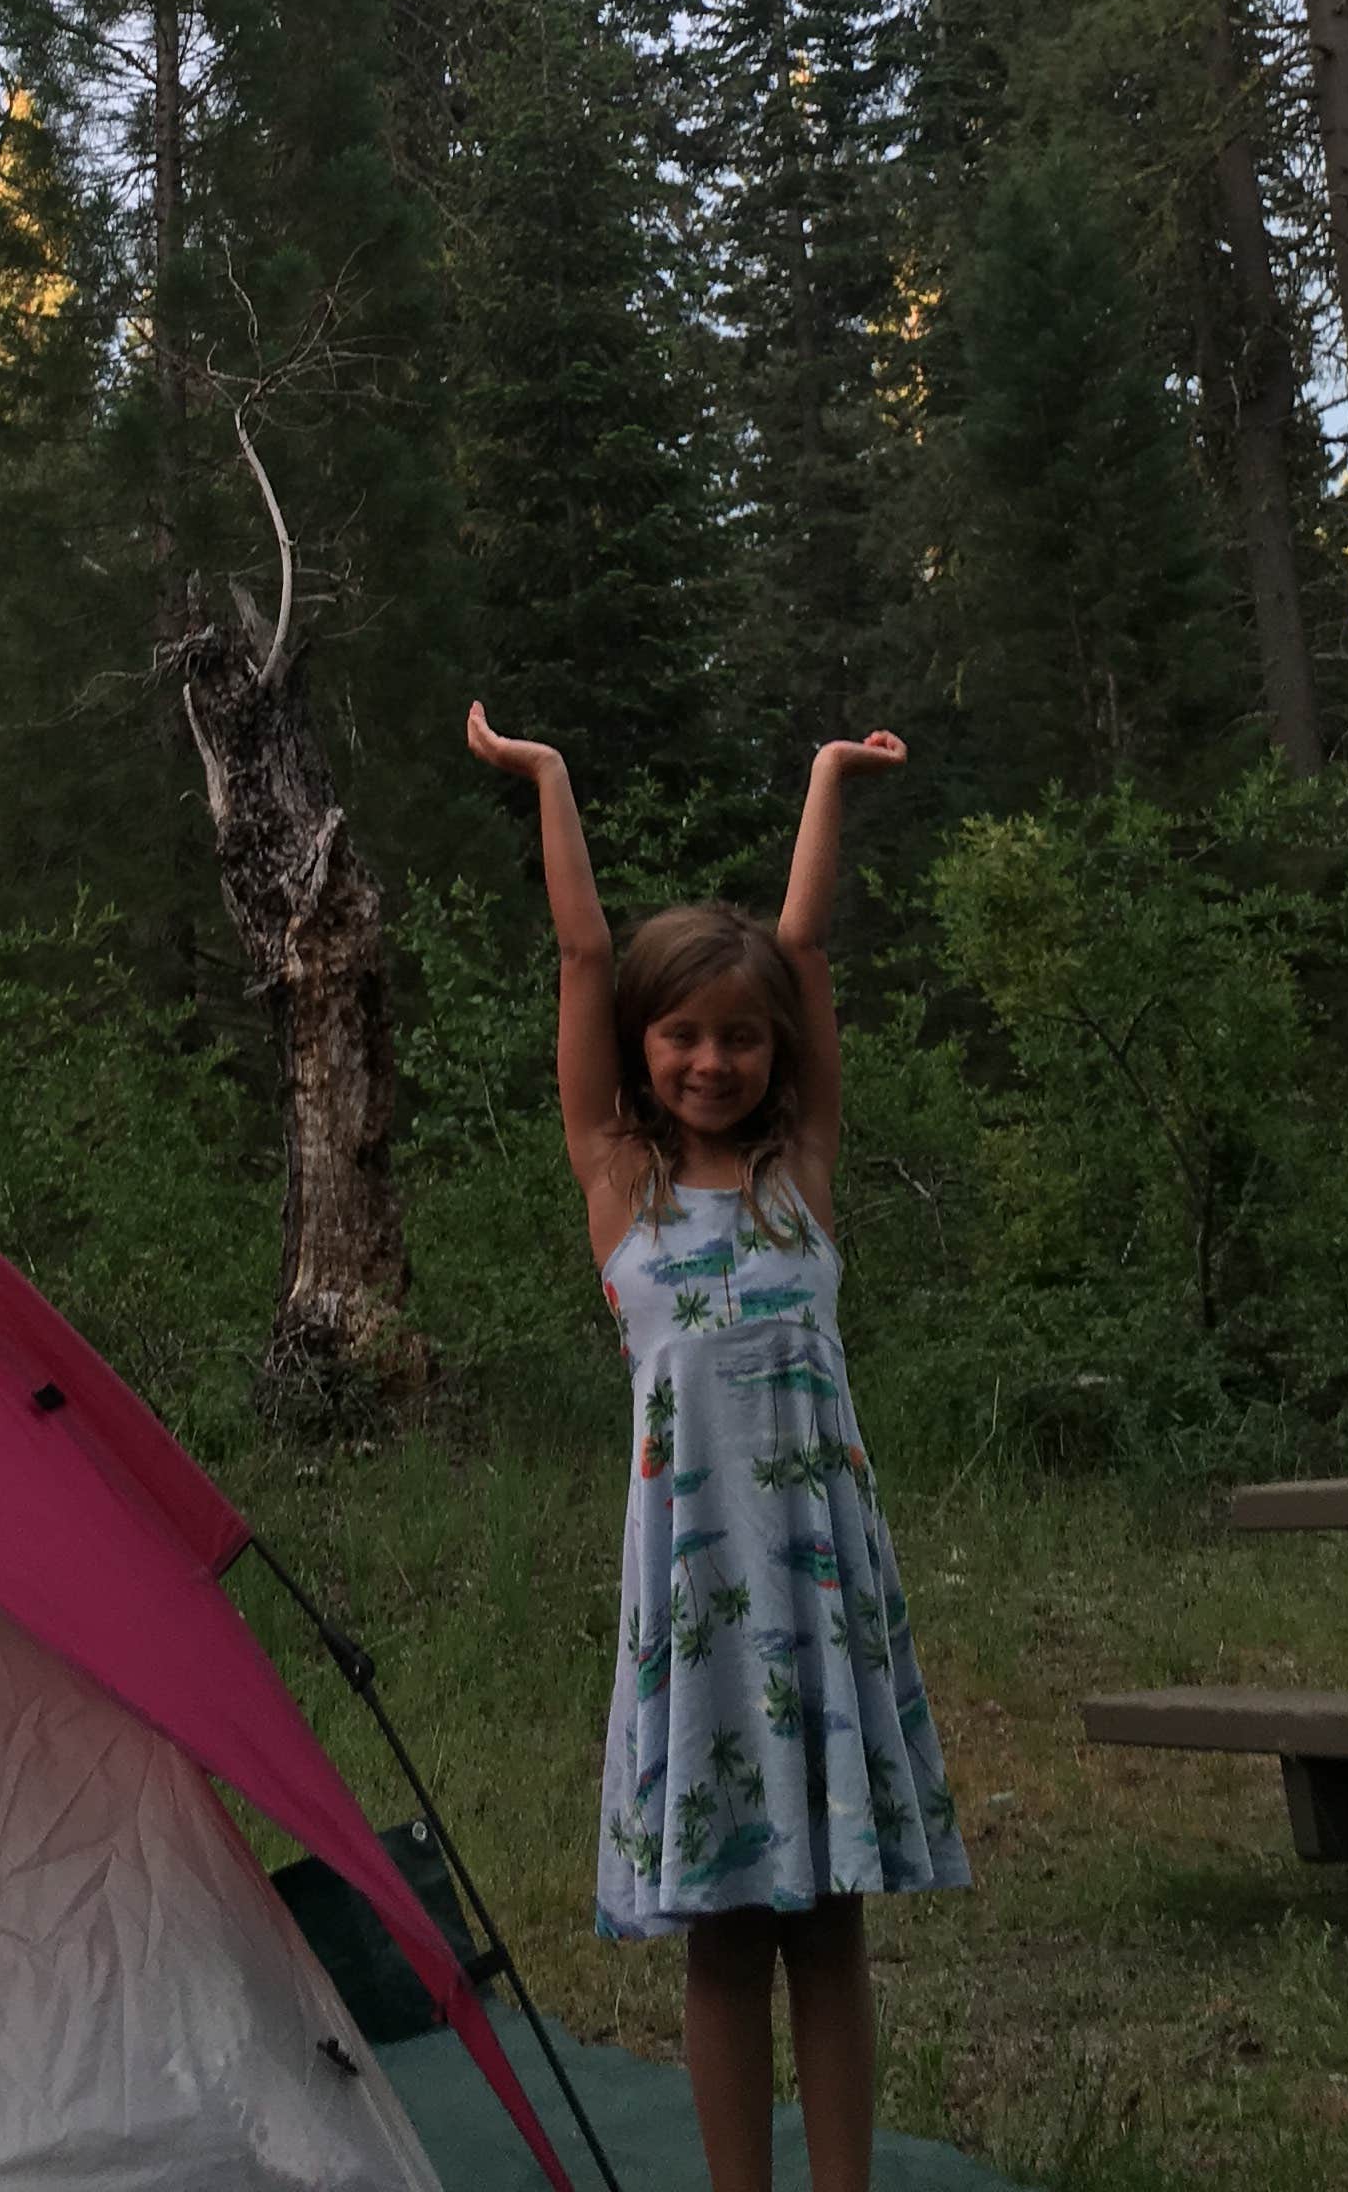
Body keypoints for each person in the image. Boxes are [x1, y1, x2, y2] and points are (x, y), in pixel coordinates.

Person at [464, 704, 968, 2192]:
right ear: (643, 1046)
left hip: (819, 1606)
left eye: (740, 1037)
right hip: (694, 1617)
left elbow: (805, 952)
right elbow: (577, 957)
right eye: (682, 1033)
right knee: (723, 1940)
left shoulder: (796, 1177)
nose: (712, 1058)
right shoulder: (619, 1185)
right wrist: (551, 779)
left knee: (830, 1928)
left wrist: (826, 782)